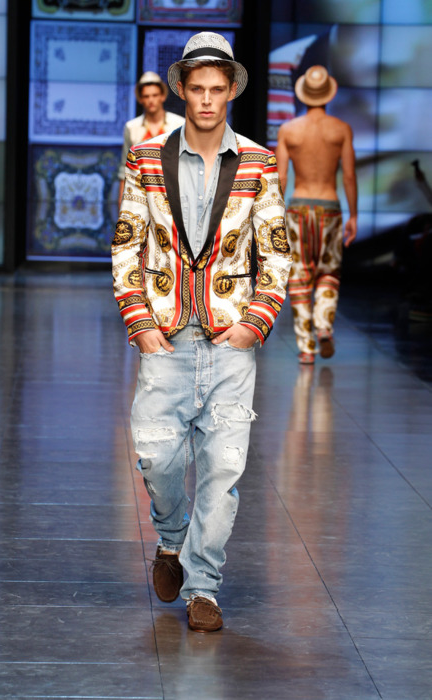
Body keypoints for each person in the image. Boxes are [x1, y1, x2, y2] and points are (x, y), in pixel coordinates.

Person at [112, 32, 292, 632]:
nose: (208, 100)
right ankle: (171, 538)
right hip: (164, 338)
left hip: (229, 340)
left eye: (218, 89)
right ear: (182, 91)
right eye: (198, 89)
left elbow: (277, 250)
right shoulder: (145, 159)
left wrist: (254, 324)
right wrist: (140, 323)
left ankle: (204, 589)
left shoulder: (259, 163)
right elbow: (126, 244)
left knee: (223, 470)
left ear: (232, 90)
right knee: (156, 457)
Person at [276, 65, 357, 364]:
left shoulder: (288, 130)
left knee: (299, 275)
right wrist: (354, 215)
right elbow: (349, 176)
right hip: (329, 206)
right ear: (328, 94)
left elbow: (281, 177)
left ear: (303, 94)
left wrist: (275, 215)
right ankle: (324, 326)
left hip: (298, 208)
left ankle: (306, 348)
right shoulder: (341, 129)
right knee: (329, 271)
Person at [118, 72, 185, 208]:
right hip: (140, 195)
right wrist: (122, 204)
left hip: (172, 195)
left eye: (155, 95)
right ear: (140, 99)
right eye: (146, 96)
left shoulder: (179, 124)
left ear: (162, 96)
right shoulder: (132, 127)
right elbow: (125, 168)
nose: (151, 100)